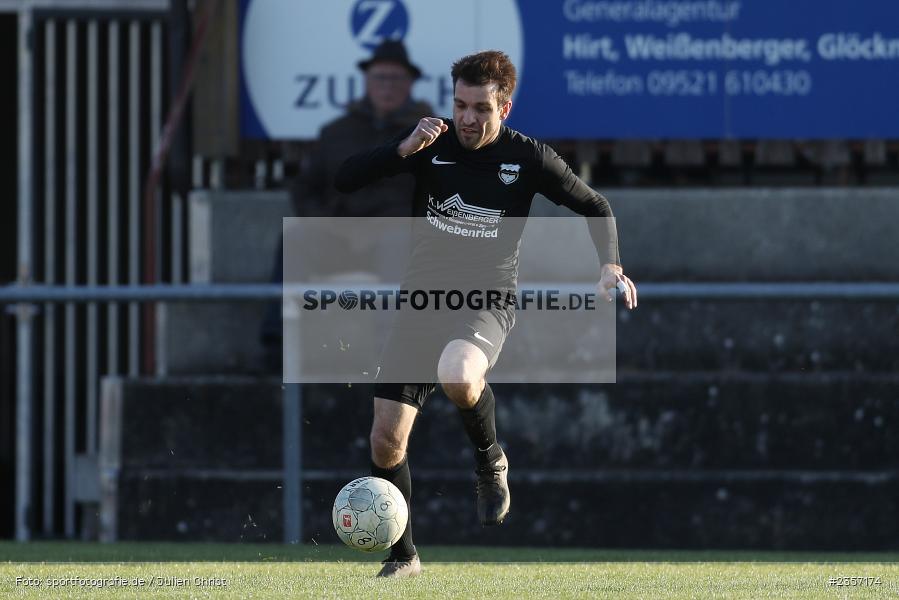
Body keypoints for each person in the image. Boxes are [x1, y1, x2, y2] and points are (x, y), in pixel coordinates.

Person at [334, 50, 638, 578]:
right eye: (460, 106)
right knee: (385, 441)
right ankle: (403, 558)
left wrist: (610, 264)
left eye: (480, 108)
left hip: (485, 301)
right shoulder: (430, 143)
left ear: (505, 107)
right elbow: (344, 179)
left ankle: (490, 459)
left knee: (457, 374)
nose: (467, 119)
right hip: (421, 303)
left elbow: (596, 206)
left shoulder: (529, 157)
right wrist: (400, 149)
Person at [260, 40, 432, 370]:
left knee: (399, 244)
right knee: (295, 239)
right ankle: (275, 344)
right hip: (339, 234)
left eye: (396, 78)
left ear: (410, 84)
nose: (387, 86)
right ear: (367, 81)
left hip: (399, 236)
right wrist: (322, 221)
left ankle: (391, 354)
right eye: (380, 78)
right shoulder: (336, 132)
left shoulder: (429, 135)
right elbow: (304, 188)